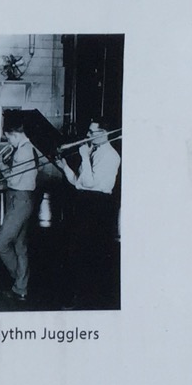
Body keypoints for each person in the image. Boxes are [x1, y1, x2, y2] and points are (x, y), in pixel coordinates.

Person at [0, 118, 39, 300]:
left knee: (1, 243)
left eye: (8, 138)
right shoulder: (27, 148)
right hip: (23, 199)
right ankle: (20, 289)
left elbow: (14, 181)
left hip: (18, 199)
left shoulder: (23, 152)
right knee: (20, 246)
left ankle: (21, 280)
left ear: (15, 134)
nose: (9, 142)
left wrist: (3, 168)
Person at [67, 124, 120, 306]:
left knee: (90, 253)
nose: (87, 135)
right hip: (87, 203)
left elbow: (90, 183)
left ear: (105, 133)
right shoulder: (94, 152)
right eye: (88, 131)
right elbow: (79, 183)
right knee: (79, 252)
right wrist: (63, 165)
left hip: (98, 207)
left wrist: (83, 156)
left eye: (91, 132)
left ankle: (86, 300)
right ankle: (80, 296)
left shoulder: (110, 156)